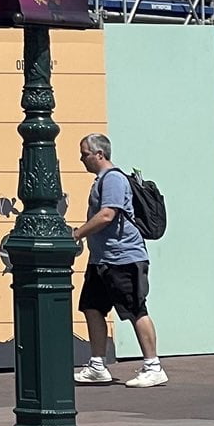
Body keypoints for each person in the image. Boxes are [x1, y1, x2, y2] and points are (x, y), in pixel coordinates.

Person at [71, 133, 165, 387]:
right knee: (92, 307)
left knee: (135, 309)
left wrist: (77, 234)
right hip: (101, 259)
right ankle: (97, 366)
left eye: (85, 154)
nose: (81, 159)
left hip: (124, 258)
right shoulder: (102, 180)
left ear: (99, 154)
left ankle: (153, 366)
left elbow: (107, 215)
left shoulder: (113, 179)